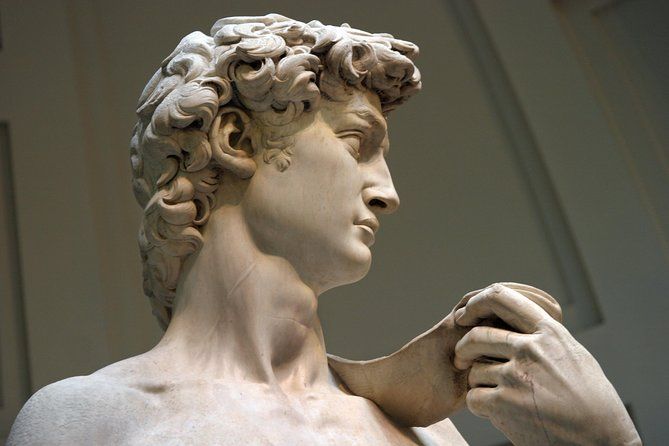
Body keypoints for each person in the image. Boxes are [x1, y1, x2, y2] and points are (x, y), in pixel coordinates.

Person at [7, 14, 641, 445]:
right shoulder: (89, 421)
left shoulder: (424, 432)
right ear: (236, 140)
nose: (388, 193)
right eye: (358, 144)